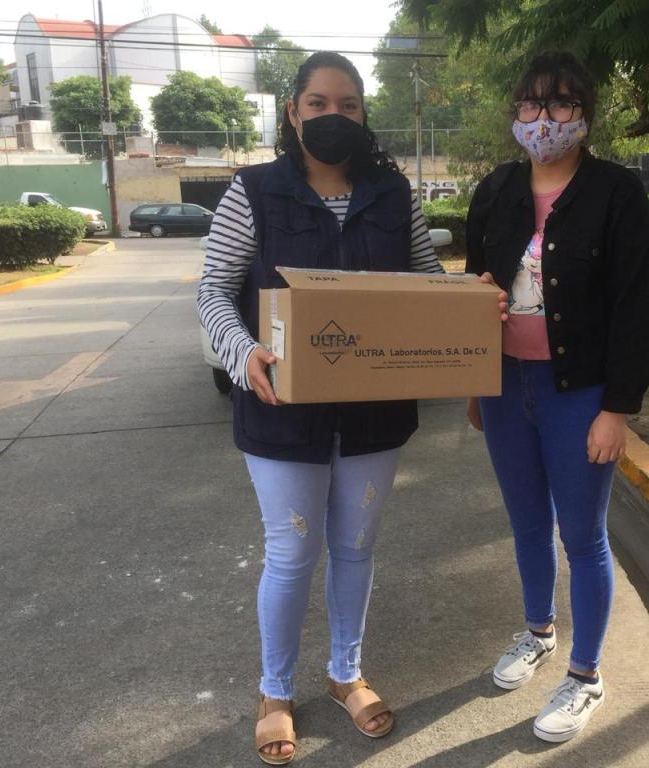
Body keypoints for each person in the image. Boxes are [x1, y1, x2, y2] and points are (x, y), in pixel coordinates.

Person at [197, 51, 447, 765]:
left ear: (364, 115)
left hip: (373, 412)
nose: (333, 116)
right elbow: (214, 289)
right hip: (283, 409)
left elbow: (427, 281)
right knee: (291, 553)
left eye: (348, 105)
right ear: (293, 112)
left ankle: (346, 674)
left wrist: (468, 300)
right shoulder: (254, 191)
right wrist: (243, 353)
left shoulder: (394, 195)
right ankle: (275, 691)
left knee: (357, 548)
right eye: (318, 104)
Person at [465, 50, 649, 743]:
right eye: (531, 103)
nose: (543, 118)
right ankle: (539, 631)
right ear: (515, 112)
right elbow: (474, 287)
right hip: (504, 384)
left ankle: (586, 675)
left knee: (581, 535)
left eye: (561, 103)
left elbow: (637, 307)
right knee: (524, 523)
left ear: (585, 114)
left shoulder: (616, 192)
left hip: (579, 393)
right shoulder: (495, 189)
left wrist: (617, 409)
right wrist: (474, 377)